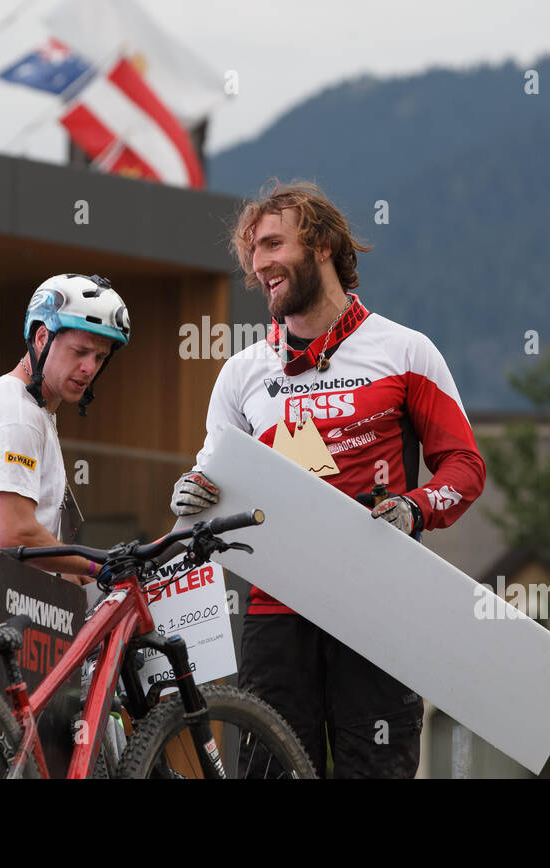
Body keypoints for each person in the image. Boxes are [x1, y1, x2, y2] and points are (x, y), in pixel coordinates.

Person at [170, 180, 487, 778]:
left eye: (272, 244)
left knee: (376, 769)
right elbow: (211, 476)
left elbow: (466, 468)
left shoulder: (404, 351)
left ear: (321, 245)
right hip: (274, 611)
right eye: (252, 254)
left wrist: (412, 509)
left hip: (376, 605)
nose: (260, 264)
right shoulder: (243, 372)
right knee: (270, 771)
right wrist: (192, 491)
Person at [0, 273, 130, 585]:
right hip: (2, 610)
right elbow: (13, 533)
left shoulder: (8, 398)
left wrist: (77, 575)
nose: (90, 367)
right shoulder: (18, 413)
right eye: (79, 352)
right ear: (41, 338)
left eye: (100, 357)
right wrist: (96, 568)